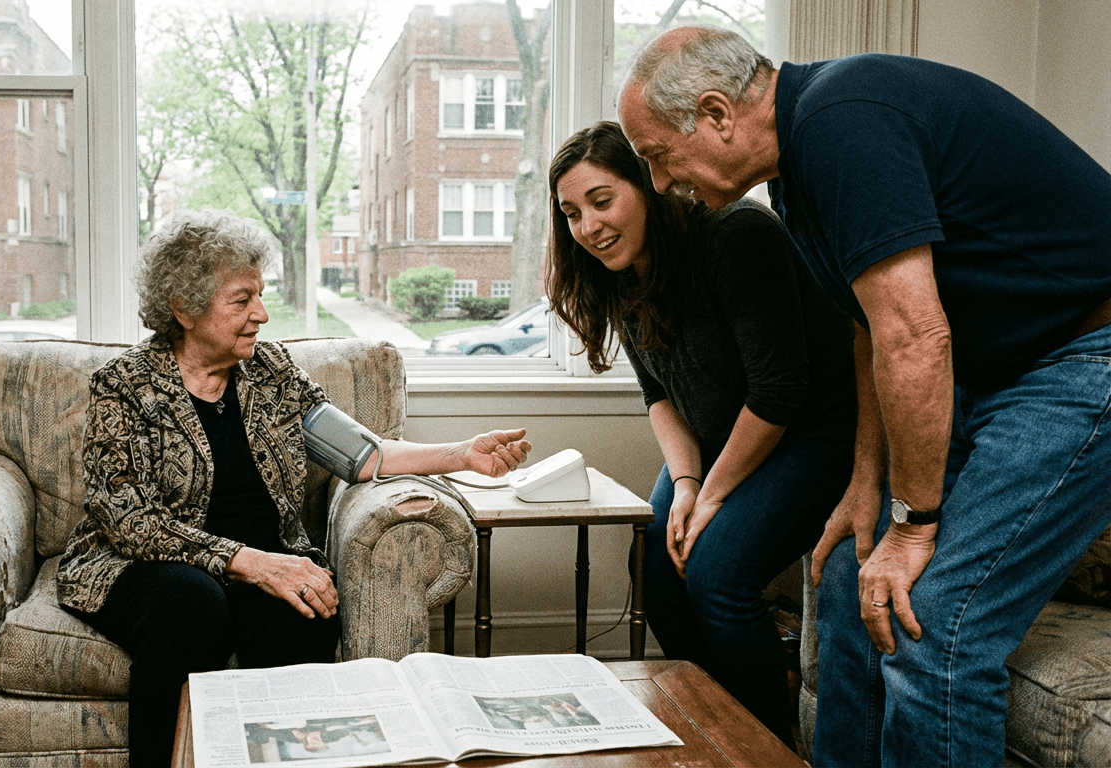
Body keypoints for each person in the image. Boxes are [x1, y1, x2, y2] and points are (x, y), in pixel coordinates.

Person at [618, 27, 1111, 767]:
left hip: (1084, 357)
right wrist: (866, 484)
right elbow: (872, 329)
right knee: (850, 571)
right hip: (1001, 369)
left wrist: (914, 526)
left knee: (933, 623)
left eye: (658, 156)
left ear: (717, 113)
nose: (659, 183)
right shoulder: (798, 173)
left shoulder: (843, 121)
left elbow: (917, 338)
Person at [56, 209, 532, 767]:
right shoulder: (125, 385)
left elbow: (361, 455)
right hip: (150, 566)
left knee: (307, 612)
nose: (260, 313)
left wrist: (461, 455)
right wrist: (253, 564)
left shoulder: (271, 371)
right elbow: (127, 520)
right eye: (241, 300)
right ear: (184, 308)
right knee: (192, 607)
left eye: (260, 295)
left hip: (260, 561)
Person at [545, 121, 856, 746]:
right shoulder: (621, 269)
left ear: (650, 186)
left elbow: (778, 393)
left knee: (715, 570)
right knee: (658, 560)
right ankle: (711, 724)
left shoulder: (737, 235)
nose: (589, 227)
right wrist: (687, 483)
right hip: (720, 443)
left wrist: (710, 498)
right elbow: (660, 396)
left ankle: (765, 745)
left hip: (810, 435)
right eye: (572, 213)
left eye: (602, 201)